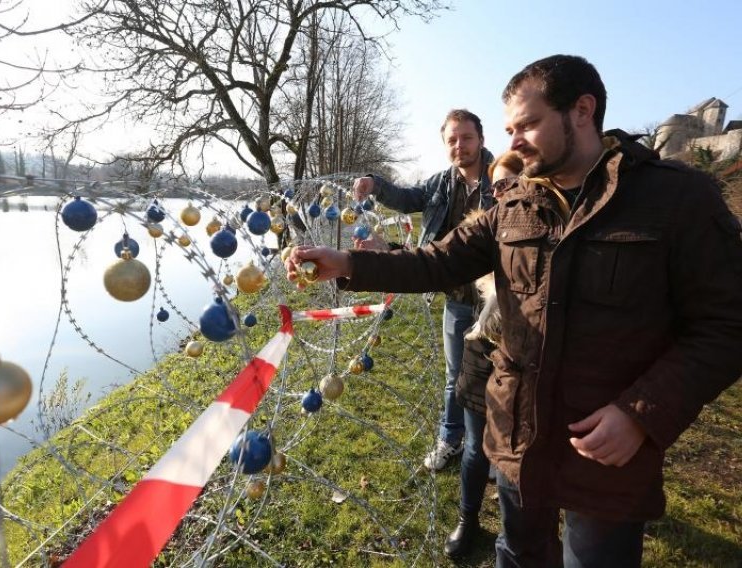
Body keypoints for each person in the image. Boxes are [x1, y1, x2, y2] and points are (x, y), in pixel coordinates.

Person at [286, 54, 742, 567]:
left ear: (582, 111)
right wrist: (347, 262)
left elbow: (726, 326)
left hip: (606, 456)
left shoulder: (675, 199)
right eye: (509, 128)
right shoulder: (515, 204)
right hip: (517, 440)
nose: (514, 141)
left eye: (527, 124)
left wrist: (641, 413)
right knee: (519, 555)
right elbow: (437, 261)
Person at [352, 109, 496, 471]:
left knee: (497, 380)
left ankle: (491, 451)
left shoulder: (504, 179)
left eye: (466, 138)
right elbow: (405, 197)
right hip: (458, 298)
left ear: (481, 139)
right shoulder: (440, 184)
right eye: (452, 140)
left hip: (499, 302)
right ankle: (450, 439)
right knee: (455, 377)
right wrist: (375, 184)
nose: (460, 146)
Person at [444, 151, 522, 560]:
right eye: (498, 185)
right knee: (475, 445)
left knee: (517, 454)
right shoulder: (485, 231)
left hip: (528, 363)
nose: (504, 191)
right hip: (484, 351)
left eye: (514, 182)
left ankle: (515, 538)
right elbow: (437, 260)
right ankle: (468, 518)